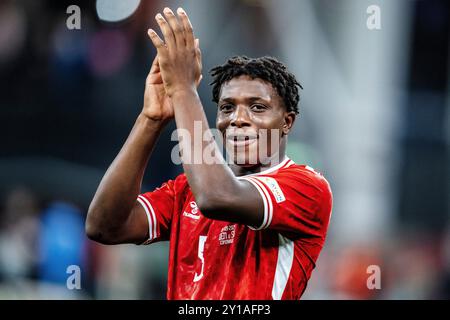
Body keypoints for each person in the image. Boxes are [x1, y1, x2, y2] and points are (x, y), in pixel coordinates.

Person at [86, 7, 332, 300]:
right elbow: (104, 226)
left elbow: (216, 198)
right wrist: (151, 119)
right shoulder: (187, 191)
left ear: (287, 122)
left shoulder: (306, 187)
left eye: (258, 107)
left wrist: (183, 91)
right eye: (227, 107)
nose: (238, 118)